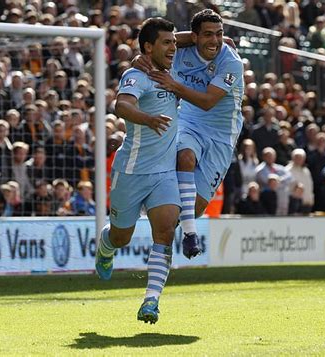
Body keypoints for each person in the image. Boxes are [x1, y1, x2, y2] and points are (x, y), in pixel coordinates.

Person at [137, 9, 244, 258]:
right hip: (189, 120)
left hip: (222, 135)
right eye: (207, 34)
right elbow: (154, 47)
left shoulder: (231, 62)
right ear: (193, 37)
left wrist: (174, 85)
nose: (215, 41)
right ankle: (189, 234)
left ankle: (174, 223)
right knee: (185, 155)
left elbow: (208, 101)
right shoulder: (179, 52)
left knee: (194, 207)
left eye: (219, 34)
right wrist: (138, 60)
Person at [95, 18, 179, 325]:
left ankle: (151, 300)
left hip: (164, 172)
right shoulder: (136, 74)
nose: (173, 46)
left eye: (174, 41)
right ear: (148, 47)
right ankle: (105, 246)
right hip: (131, 170)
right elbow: (122, 106)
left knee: (167, 229)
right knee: (121, 237)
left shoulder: (174, 70)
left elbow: (194, 38)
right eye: (166, 42)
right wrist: (147, 119)